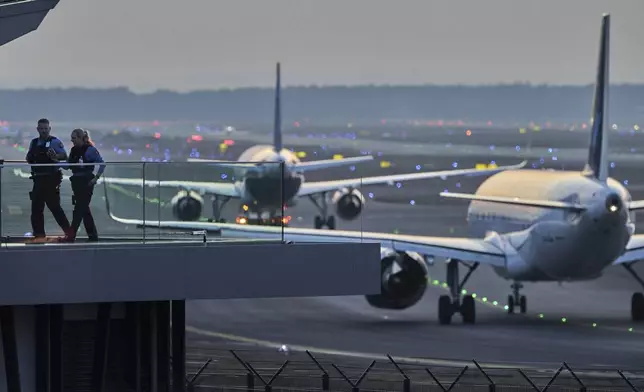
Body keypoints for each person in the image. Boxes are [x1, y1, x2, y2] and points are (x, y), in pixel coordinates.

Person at [25, 118, 72, 240]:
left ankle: (69, 233)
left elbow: (64, 156)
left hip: (51, 179)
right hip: (38, 179)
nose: (44, 131)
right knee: (36, 209)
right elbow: (29, 156)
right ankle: (38, 235)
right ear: (37, 129)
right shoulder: (34, 142)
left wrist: (55, 156)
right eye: (41, 128)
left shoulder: (55, 142)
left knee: (55, 207)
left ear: (49, 129)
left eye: (46, 128)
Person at [62, 128, 106, 242]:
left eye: (74, 138)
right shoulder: (73, 150)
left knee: (78, 210)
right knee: (84, 210)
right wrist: (55, 162)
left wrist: (96, 178)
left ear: (81, 138)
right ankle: (93, 236)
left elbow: (102, 164)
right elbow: (68, 166)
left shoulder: (90, 150)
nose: (72, 140)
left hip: (86, 182)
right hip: (76, 183)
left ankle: (71, 236)